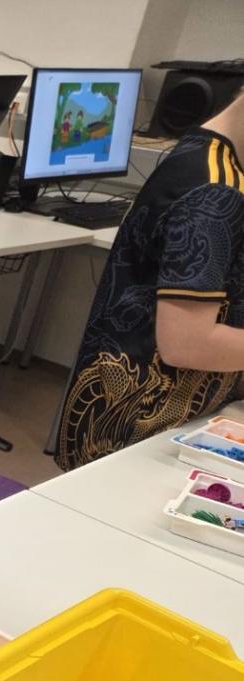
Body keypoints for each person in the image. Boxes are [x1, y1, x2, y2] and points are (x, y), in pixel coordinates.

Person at [56, 85, 244, 470]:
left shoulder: (205, 151)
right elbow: (187, 343)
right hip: (145, 426)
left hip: (152, 416)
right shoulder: (215, 192)